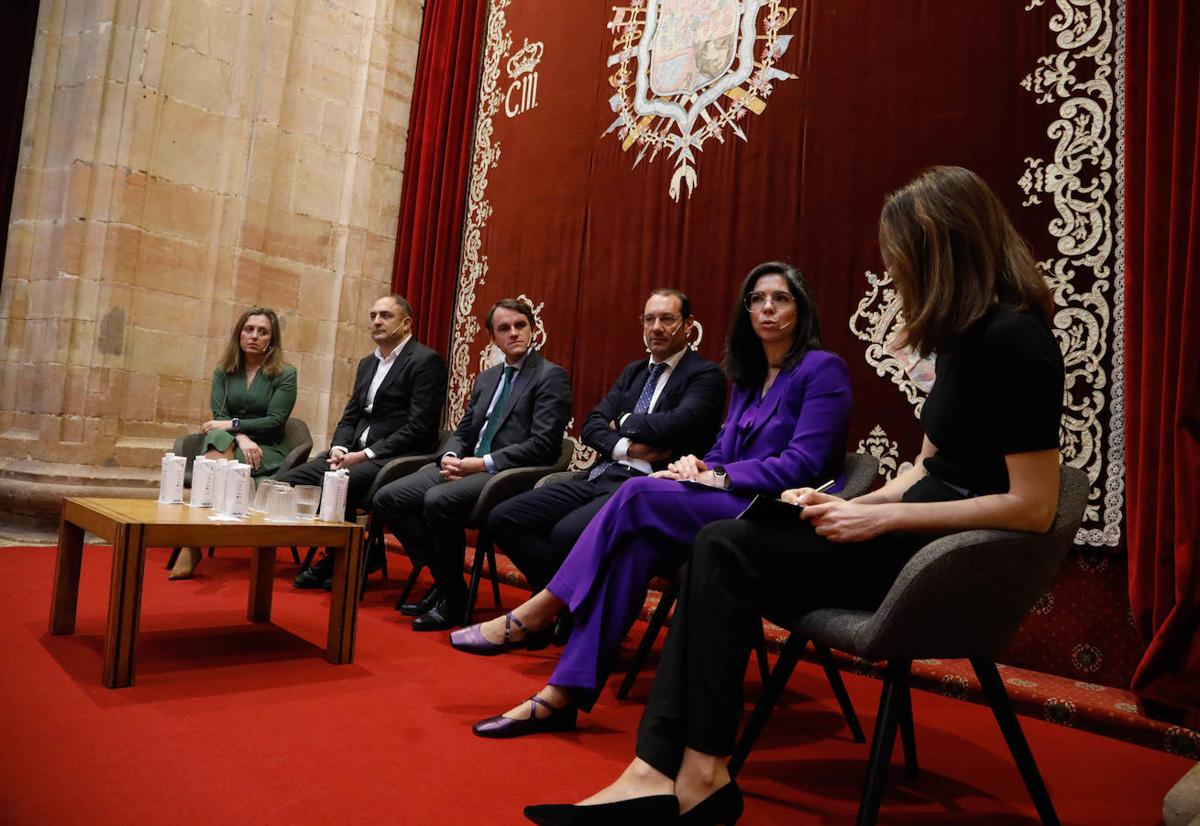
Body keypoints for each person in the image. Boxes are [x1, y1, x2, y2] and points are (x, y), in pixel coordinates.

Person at [523, 165, 1066, 825]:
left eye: (904, 258)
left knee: (721, 546)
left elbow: (1033, 506)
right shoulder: (963, 341)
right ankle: (674, 773)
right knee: (717, 545)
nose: (896, 275)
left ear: (945, 249)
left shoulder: (1016, 339)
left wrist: (879, 524)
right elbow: (926, 465)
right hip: (907, 531)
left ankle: (685, 775)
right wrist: (855, 506)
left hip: (942, 555)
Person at [454, 262, 853, 742]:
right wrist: (696, 466)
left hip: (775, 512)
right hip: (729, 500)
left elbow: (802, 464)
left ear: (801, 306)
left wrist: (719, 475)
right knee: (634, 546)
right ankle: (560, 695)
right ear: (745, 311)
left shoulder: (821, 368)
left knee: (638, 490)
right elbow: (724, 448)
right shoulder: (748, 376)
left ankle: (541, 609)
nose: (767, 307)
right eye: (757, 299)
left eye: (781, 298)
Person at [421, 289, 724, 625]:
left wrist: (622, 421)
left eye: (667, 319)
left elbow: (676, 425)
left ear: (688, 325)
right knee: (505, 518)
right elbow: (592, 425)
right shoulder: (634, 372)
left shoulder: (704, 375)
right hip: (602, 472)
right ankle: (562, 608)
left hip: (649, 483)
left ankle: (565, 616)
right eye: (650, 319)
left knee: (565, 533)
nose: (656, 327)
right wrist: (627, 445)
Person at [373, 298, 573, 630]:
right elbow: (464, 430)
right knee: (387, 498)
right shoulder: (488, 378)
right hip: (465, 467)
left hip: (505, 474)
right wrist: (451, 455)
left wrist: (481, 464)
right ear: (493, 338)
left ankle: (452, 600)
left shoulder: (550, 377)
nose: (513, 333)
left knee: (438, 501)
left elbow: (544, 446)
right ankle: (447, 581)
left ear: (533, 329)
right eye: (504, 329)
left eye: (520, 326)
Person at [288, 294, 446, 590]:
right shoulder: (366, 364)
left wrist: (365, 454)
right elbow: (351, 415)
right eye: (373, 315)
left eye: (385, 315)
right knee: (288, 482)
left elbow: (421, 428)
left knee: (339, 481)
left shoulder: (426, 361)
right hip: (353, 454)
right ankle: (357, 552)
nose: (376, 321)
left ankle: (343, 558)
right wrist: (339, 446)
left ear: (406, 323)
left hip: (395, 457)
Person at [169, 306, 297, 580]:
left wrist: (234, 426)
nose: (254, 336)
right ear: (239, 334)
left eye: (262, 332)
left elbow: (275, 420)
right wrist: (239, 434)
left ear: (271, 340)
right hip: (234, 442)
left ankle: (191, 542)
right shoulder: (224, 372)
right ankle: (196, 539)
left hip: (268, 448)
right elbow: (220, 416)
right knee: (216, 435)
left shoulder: (285, 374)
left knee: (216, 445)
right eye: (248, 330)